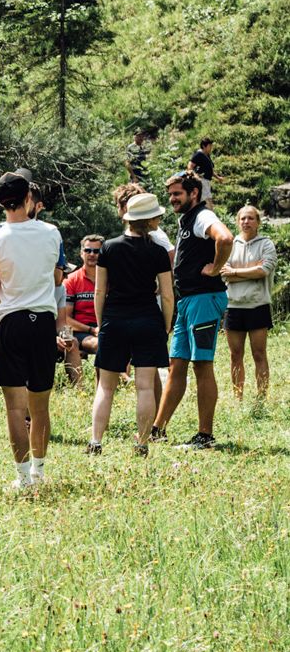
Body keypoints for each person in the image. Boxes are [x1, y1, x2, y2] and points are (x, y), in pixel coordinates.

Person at [0, 169, 65, 491]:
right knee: (40, 407)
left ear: (0, 202)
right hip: (42, 321)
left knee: (15, 407)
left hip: (9, 321)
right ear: (29, 197)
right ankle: (39, 471)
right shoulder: (52, 233)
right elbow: (56, 277)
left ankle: (23, 477)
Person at [88, 191, 175, 456]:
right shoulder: (158, 252)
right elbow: (167, 295)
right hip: (148, 319)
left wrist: (102, 323)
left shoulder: (109, 247)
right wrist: (166, 325)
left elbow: (99, 291)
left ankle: (96, 442)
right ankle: (142, 444)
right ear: (149, 220)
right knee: (145, 386)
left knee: (105, 386)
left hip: (114, 319)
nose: (158, 220)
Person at [152, 170, 233, 448]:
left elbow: (225, 238)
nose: (172, 199)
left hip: (204, 299)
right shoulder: (187, 219)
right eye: (170, 194)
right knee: (177, 365)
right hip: (187, 301)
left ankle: (205, 436)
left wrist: (217, 267)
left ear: (194, 193)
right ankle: (157, 430)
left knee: (202, 365)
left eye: (177, 194)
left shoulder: (202, 216)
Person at [223, 205, 275, 401]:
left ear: (258, 222)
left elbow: (264, 270)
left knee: (259, 354)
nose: (246, 222)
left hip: (257, 306)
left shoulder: (266, 244)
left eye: (251, 218)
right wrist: (251, 270)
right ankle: (238, 399)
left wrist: (235, 272)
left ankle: (261, 399)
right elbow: (223, 274)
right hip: (233, 307)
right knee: (235, 355)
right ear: (238, 221)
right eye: (243, 218)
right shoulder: (230, 244)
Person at [60, 234, 103, 384]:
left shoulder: (110, 279)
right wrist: (91, 330)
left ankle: (113, 385)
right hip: (80, 330)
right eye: (88, 250)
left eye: (96, 251)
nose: (92, 254)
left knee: (121, 338)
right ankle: (79, 390)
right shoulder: (71, 280)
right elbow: (65, 318)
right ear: (81, 253)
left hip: (103, 327)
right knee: (101, 344)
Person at [189, 137, 215, 204]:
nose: (211, 148)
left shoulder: (206, 155)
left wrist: (218, 177)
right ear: (204, 146)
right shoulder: (199, 154)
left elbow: (209, 168)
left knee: (208, 199)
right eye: (209, 146)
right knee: (206, 200)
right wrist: (196, 176)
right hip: (202, 180)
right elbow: (190, 166)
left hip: (207, 181)